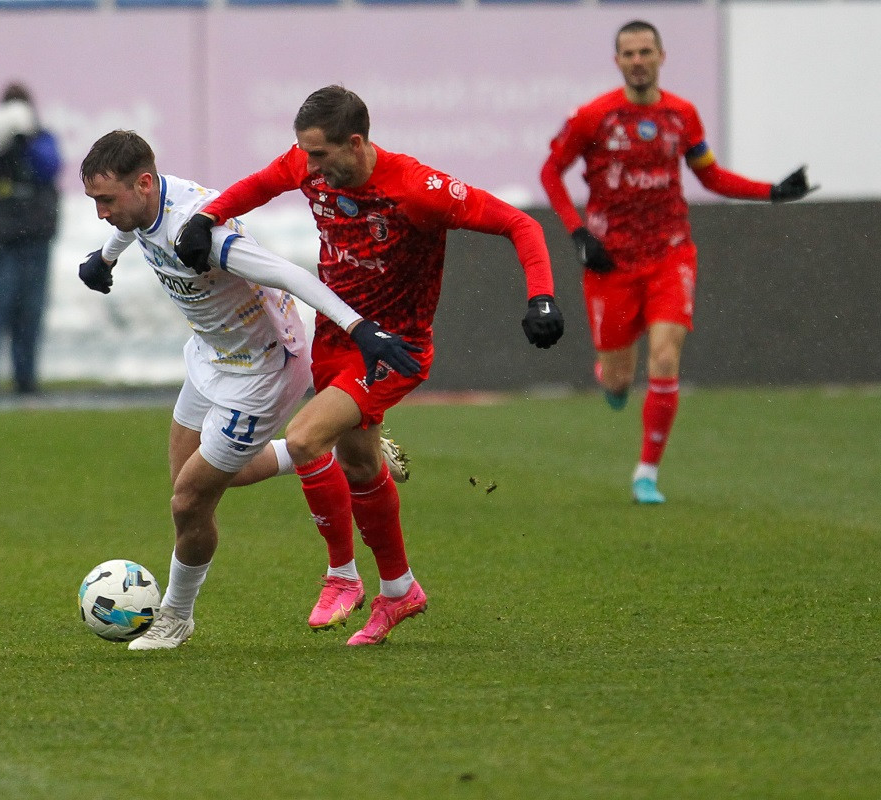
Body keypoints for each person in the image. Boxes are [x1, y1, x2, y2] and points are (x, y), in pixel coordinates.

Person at [175, 85, 564, 646]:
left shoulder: (417, 189)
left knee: (306, 438)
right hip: (336, 336)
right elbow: (259, 185)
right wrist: (209, 216)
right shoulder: (309, 165)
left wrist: (541, 296)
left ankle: (342, 576)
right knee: (358, 463)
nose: (308, 166)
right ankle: (400, 590)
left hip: (394, 348)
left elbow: (520, 224)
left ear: (355, 144)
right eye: (304, 153)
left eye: (319, 154)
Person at [78, 130, 421, 650]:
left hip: (261, 370)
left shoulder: (202, 232)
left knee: (189, 501)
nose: (101, 212)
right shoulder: (145, 204)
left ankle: (176, 616)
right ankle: (321, 452)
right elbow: (134, 224)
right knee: (188, 481)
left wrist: (360, 329)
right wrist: (106, 256)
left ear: (144, 183)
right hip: (210, 352)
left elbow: (289, 275)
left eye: (106, 200)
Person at [539, 20, 815, 504]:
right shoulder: (593, 117)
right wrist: (578, 233)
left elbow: (710, 177)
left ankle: (646, 473)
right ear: (617, 61)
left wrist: (771, 192)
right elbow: (550, 172)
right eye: (629, 53)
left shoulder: (682, 115)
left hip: (671, 253)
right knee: (619, 379)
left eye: (646, 51)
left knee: (665, 358)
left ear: (662, 57)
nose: (638, 61)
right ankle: (610, 380)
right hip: (610, 262)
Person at [0, 82, 62, 395]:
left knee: (30, 313)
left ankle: (26, 379)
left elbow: (51, 166)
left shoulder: (41, 138)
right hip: (2, 239)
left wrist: (27, 138)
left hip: (34, 238)